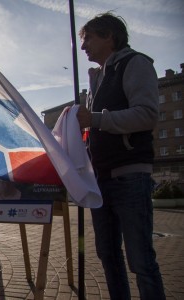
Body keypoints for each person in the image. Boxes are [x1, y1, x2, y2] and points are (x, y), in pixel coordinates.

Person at [76, 12, 166, 300]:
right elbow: (95, 127)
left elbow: (147, 114)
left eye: (88, 38)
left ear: (109, 36)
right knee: (108, 256)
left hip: (129, 176)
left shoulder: (134, 63)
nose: (83, 47)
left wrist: (96, 119)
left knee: (140, 260)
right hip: (100, 180)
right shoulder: (98, 77)